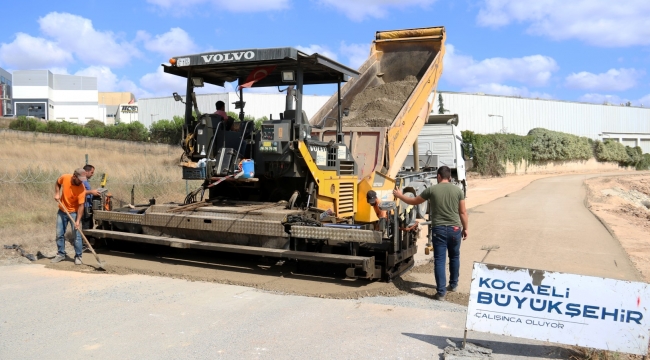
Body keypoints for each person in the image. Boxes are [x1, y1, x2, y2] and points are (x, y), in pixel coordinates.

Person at [393, 166, 468, 301]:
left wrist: (399, 195)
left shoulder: (432, 190)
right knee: (454, 257)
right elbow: (463, 212)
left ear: (439, 176)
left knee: (439, 260)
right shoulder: (458, 190)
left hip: (439, 229)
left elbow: (414, 202)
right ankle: (454, 284)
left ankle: (441, 293)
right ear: (449, 177)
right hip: (455, 229)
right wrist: (466, 228)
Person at [52, 168, 87, 265]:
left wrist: (77, 221)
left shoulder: (82, 189)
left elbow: (81, 206)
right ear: (74, 176)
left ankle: (78, 256)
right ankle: (61, 254)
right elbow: (58, 182)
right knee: (59, 234)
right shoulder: (65, 177)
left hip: (74, 213)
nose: (81, 182)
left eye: (83, 180)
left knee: (77, 235)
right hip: (62, 210)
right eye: (80, 179)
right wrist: (57, 193)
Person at [81, 164, 100, 230]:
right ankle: (84, 239)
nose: (92, 174)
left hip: (88, 206)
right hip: (84, 207)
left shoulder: (85, 181)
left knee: (90, 225)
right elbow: (80, 193)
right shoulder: (81, 181)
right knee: (86, 226)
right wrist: (92, 192)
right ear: (86, 171)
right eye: (92, 172)